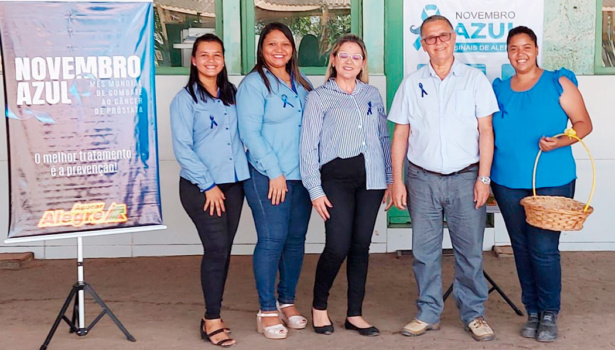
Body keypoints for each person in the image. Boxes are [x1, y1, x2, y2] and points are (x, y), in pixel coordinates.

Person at [388, 15, 499, 341]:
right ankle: (428, 313)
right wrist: (398, 181)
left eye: (443, 36)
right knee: (424, 252)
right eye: (430, 38)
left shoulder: (475, 80)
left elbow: (486, 132)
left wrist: (484, 179)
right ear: (422, 45)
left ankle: (474, 314)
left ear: (453, 39)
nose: (437, 42)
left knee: (470, 252)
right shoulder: (412, 83)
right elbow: (400, 135)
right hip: (422, 179)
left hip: (467, 178)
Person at [490, 26, 592, 342]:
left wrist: (561, 141)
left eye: (526, 47)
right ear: (507, 53)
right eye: (513, 48)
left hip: (552, 180)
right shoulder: (498, 89)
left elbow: (584, 124)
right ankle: (532, 310)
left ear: (536, 49)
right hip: (506, 180)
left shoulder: (557, 82)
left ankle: (549, 312)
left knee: (544, 249)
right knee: (521, 248)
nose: (520, 53)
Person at [300, 34, 393, 337]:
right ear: (334, 59)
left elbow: (383, 139)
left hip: (371, 179)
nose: (349, 61)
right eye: (344, 55)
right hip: (336, 179)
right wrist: (315, 189)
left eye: (356, 57)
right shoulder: (319, 97)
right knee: (337, 245)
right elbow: (307, 147)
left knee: (360, 247)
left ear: (363, 63)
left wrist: (390, 179)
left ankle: (355, 313)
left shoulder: (372, 94)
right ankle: (319, 307)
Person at [170, 33, 249, 348]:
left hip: (234, 185)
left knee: (223, 250)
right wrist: (209, 185)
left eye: (217, 54)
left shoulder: (232, 94)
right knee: (216, 248)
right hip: (200, 187)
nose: (211, 60)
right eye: (204, 55)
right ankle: (212, 318)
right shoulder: (185, 99)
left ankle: (212, 313)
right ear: (193, 60)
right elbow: (183, 148)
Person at [236, 22, 313, 340]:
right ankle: (266, 309)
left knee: (295, 241)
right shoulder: (254, 84)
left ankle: (287, 301)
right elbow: (249, 133)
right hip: (268, 176)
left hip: (301, 176)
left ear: (292, 49)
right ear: (261, 49)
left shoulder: (302, 83)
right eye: (271, 44)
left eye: (285, 44)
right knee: (272, 240)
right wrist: (275, 172)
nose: (279, 50)